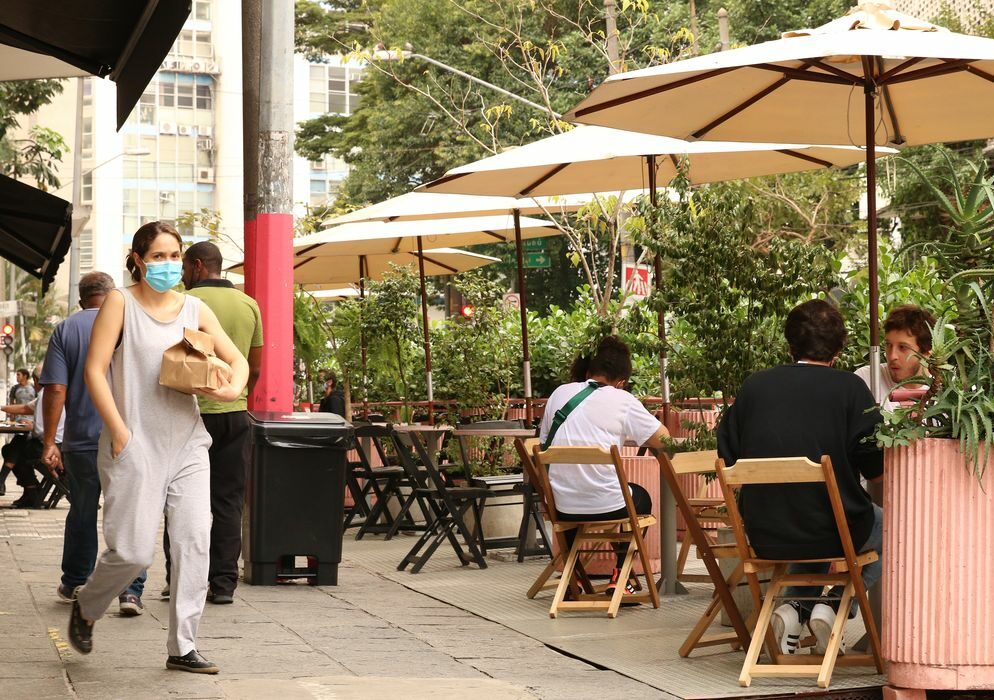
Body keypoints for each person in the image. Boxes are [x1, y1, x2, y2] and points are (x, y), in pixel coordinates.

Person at [67, 222, 248, 675]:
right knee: (131, 553)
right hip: (134, 441)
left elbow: (237, 360)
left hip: (187, 442)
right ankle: (87, 605)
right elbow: (94, 370)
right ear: (138, 258)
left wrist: (232, 390)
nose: (167, 264)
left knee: (193, 541)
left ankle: (183, 646)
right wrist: (120, 432)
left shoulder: (195, 307)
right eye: (159, 256)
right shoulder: (120, 302)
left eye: (174, 255)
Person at [716, 299, 883, 656]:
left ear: (790, 345)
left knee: (818, 516)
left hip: (763, 533)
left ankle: (793, 608)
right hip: (832, 529)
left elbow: (727, 458)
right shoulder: (851, 389)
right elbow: (875, 468)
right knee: (888, 524)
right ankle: (836, 604)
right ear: (838, 349)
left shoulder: (754, 388)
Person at [159, 241, 262, 605]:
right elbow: (255, 365)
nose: (181, 274)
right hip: (234, 414)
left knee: (179, 500)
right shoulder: (248, 304)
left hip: (188, 413)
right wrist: (238, 397)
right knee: (228, 501)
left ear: (198, 266)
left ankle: (178, 579)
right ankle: (223, 584)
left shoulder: (181, 304)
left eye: (184, 266)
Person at [41, 272, 148, 614]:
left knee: (84, 512)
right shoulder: (131, 323)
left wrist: (49, 441)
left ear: (81, 299)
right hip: (127, 437)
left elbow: (56, 389)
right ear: (112, 295)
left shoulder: (66, 329)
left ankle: (75, 581)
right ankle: (130, 591)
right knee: (129, 514)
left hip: (82, 441)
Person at [539, 337, 670, 599]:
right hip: (607, 506)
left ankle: (573, 576)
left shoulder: (559, 394)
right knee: (640, 497)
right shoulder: (623, 400)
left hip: (560, 507)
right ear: (621, 381)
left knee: (578, 488)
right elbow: (665, 440)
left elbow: (543, 445)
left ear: (589, 370)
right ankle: (621, 576)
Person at [1, 362, 64, 508]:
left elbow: (40, 431)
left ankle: (30, 490)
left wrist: (31, 426)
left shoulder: (45, 395)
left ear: (36, 380)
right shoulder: (54, 392)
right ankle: (29, 491)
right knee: (16, 446)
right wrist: (2, 408)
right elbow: (25, 408)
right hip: (62, 446)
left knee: (12, 449)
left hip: (53, 448)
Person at [855, 304, 936, 407]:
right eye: (888, 345)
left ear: (927, 351)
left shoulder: (948, 390)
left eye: (903, 347)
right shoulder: (867, 379)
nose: (892, 356)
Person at [0, 367, 36, 495]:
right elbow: (18, 405)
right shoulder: (15, 388)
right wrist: (11, 417)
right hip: (21, 421)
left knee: (13, 448)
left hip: (32, 425)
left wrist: (34, 423)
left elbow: (27, 408)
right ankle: (30, 488)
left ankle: (2, 480)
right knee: (11, 448)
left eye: (19, 374)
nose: (17, 377)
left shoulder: (36, 391)